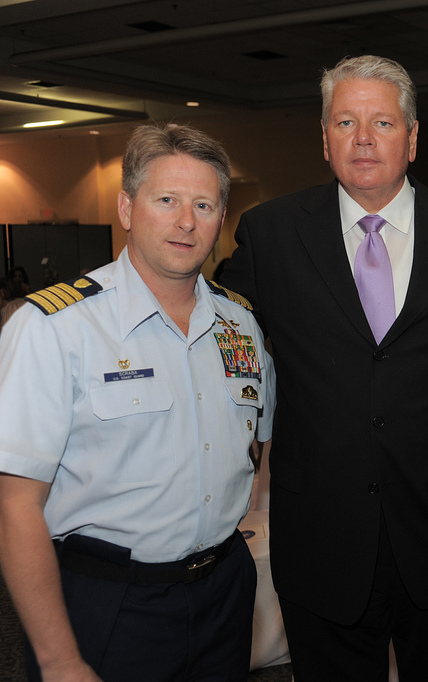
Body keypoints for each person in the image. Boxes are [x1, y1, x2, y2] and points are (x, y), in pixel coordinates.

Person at [220, 54, 428, 680]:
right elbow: (217, 348)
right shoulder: (270, 234)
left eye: (381, 123)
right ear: (323, 138)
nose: (362, 139)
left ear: (412, 138)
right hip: (321, 540)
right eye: (345, 121)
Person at [0, 122, 275, 682]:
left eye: (204, 203)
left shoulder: (240, 323)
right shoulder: (53, 328)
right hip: (107, 604)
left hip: (224, 592)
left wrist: (247, 524)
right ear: (127, 208)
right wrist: (59, 661)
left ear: (221, 218)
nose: (185, 220)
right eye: (166, 199)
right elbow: (14, 506)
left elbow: (262, 439)